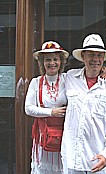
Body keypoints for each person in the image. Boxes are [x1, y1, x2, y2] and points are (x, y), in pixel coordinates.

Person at [61, 33, 106, 174]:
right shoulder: (70, 77)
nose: (95, 59)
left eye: (99, 55)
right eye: (91, 55)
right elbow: (51, 77)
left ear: (103, 59)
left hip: (100, 160)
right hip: (72, 159)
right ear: (83, 57)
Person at [25, 41, 69, 174]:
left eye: (55, 59)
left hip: (63, 136)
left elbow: (88, 74)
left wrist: (103, 70)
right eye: (48, 60)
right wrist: (51, 112)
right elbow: (28, 108)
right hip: (43, 136)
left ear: (61, 62)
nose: (52, 63)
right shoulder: (36, 82)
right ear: (42, 63)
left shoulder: (68, 79)